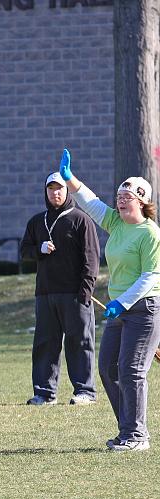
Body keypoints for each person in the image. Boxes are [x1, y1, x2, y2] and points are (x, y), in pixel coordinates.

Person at [58, 148, 160, 452]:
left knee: (131, 371)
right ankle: (128, 429)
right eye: (119, 195)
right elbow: (91, 203)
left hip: (144, 309)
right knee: (108, 369)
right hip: (120, 311)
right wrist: (70, 179)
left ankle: (137, 436)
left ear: (141, 200)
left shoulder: (150, 233)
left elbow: (152, 275)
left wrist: (122, 302)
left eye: (127, 196)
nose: (120, 199)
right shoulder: (115, 223)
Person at [20, 172, 99, 406]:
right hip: (45, 294)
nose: (55, 193)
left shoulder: (80, 219)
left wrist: (86, 290)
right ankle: (44, 392)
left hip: (75, 294)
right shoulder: (37, 221)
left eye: (60, 188)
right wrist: (39, 250)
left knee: (79, 342)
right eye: (51, 188)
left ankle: (85, 391)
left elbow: (91, 258)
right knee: (45, 342)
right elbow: (24, 252)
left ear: (67, 191)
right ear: (45, 192)